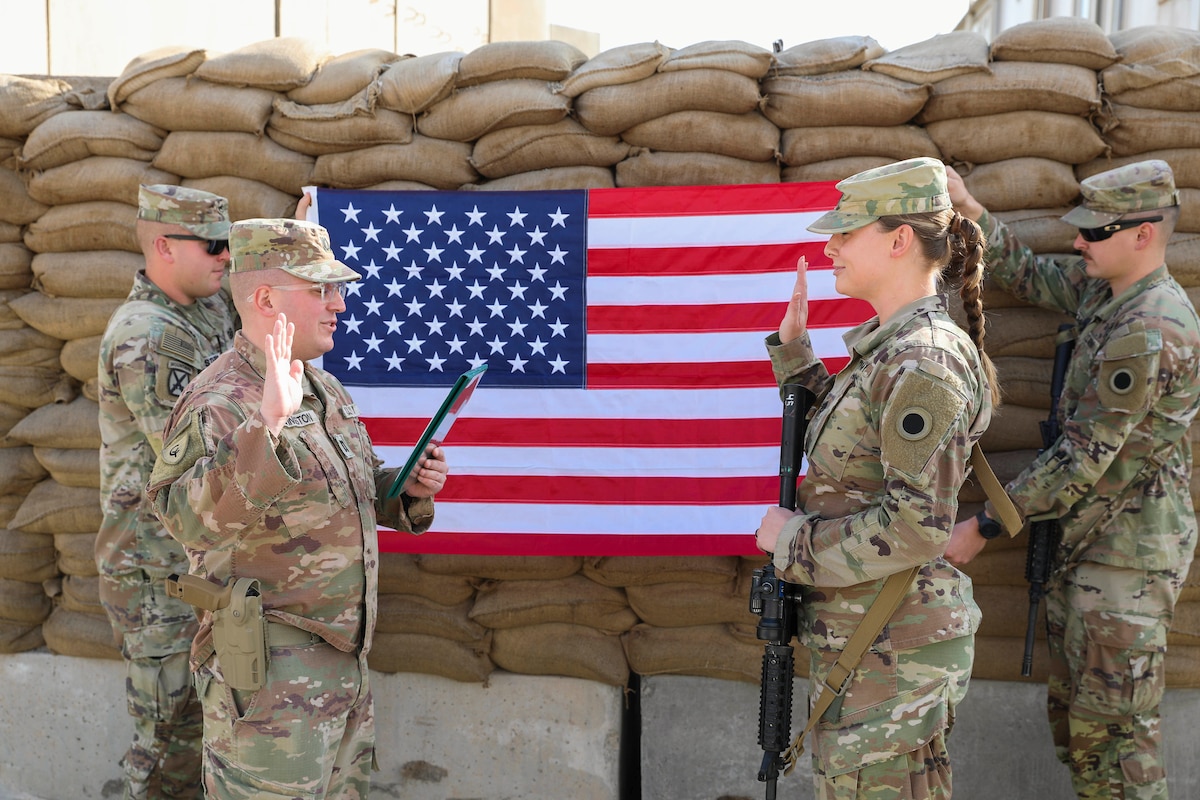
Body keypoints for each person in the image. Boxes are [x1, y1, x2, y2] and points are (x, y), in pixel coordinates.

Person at [145, 217, 448, 799]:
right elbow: (188, 523)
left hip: (343, 665)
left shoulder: (321, 388)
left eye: (336, 289)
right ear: (263, 299)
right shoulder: (220, 400)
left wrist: (402, 489)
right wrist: (268, 426)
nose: (338, 304)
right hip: (267, 683)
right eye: (319, 290)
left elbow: (338, 491)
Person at [945, 159, 1200, 800]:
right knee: (1083, 735)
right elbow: (1031, 276)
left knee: (1118, 745)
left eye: (1095, 231)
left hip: (1125, 565)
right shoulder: (1107, 295)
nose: (1079, 241)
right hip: (1088, 548)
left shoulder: (1149, 329)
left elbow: (1084, 456)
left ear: (1144, 234)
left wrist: (982, 523)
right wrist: (971, 212)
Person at [755, 156, 999, 800]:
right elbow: (852, 463)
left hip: (892, 652)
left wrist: (792, 544)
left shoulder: (922, 361)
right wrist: (797, 360)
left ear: (899, 240)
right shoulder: (891, 348)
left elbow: (918, 528)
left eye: (846, 231)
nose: (830, 245)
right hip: (871, 643)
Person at [96, 184, 236, 800]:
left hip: (197, 560)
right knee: (165, 734)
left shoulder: (207, 309)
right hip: (156, 568)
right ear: (163, 245)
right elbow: (192, 459)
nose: (226, 257)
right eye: (212, 244)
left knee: (205, 732)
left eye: (231, 244)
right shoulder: (147, 335)